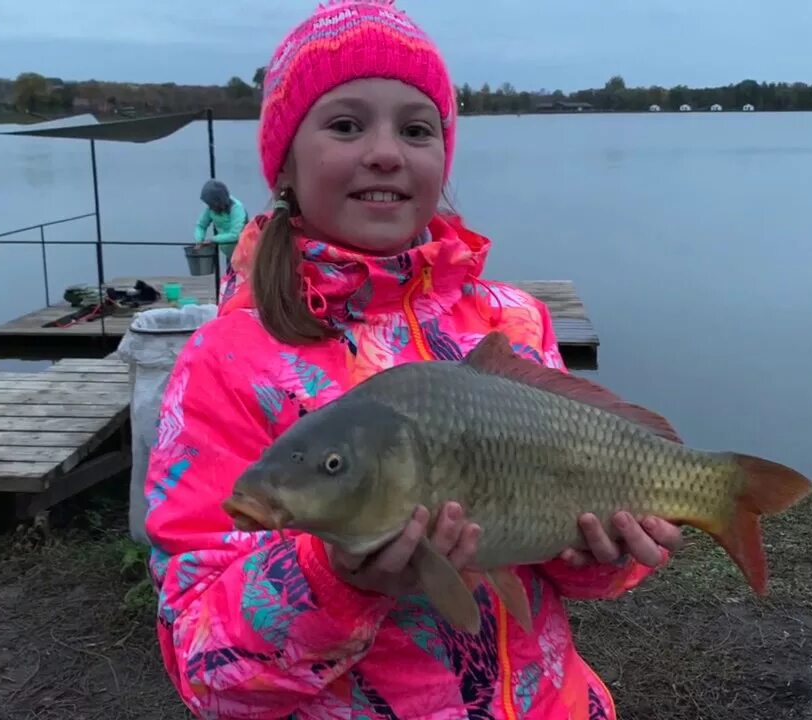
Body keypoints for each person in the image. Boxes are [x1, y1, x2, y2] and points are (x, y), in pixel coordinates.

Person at [143, 2, 685, 717]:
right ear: (285, 162)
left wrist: (600, 558)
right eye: (345, 124)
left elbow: (561, 567)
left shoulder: (514, 322)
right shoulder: (225, 363)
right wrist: (332, 578)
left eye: (416, 128)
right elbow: (205, 669)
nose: (385, 151)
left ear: (442, 157)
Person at [193, 178, 248, 263]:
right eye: (208, 204)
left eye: (211, 203)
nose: (210, 207)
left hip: (245, 253)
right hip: (230, 254)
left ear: (219, 200)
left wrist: (213, 239)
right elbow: (201, 225)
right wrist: (199, 240)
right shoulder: (211, 209)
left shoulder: (236, 208)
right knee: (230, 275)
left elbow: (235, 235)